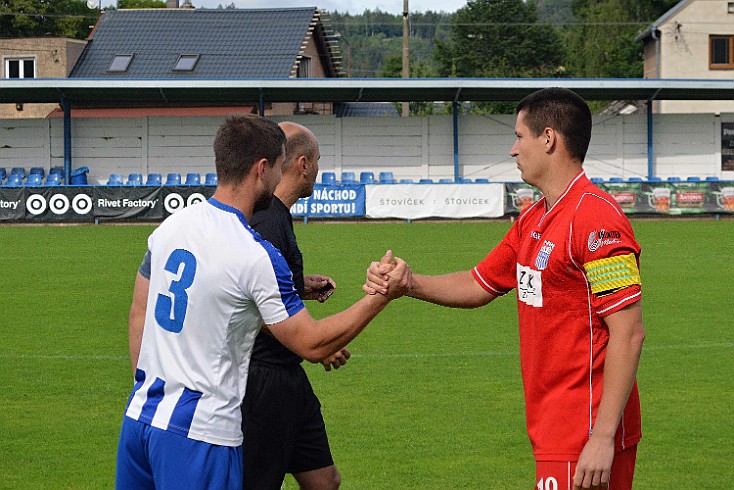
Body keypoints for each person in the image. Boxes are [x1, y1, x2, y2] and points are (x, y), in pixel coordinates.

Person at [365, 88, 645, 490]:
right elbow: (480, 283)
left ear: (548, 139)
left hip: (584, 428)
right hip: (554, 424)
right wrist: (408, 283)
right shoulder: (532, 218)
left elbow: (628, 332)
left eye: (519, 136)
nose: (513, 150)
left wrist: (601, 438)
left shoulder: (595, 219)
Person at [117, 114, 408, 490]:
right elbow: (312, 343)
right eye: (279, 164)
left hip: (141, 418)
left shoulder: (172, 226)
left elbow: (139, 313)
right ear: (263, 168)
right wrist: (383, 295)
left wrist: (147, 387)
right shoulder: (254, 253)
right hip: (199, 432)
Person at [242, 122, 346, 490]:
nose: (319, 168)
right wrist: (314, 342)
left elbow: (264, 285)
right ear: (302, 164)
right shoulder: (268, 221)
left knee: (325, 481)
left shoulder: (276, 217)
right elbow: (258, 307)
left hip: (288, 374)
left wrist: (298, 285)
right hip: (263, 378)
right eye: (318, 160)